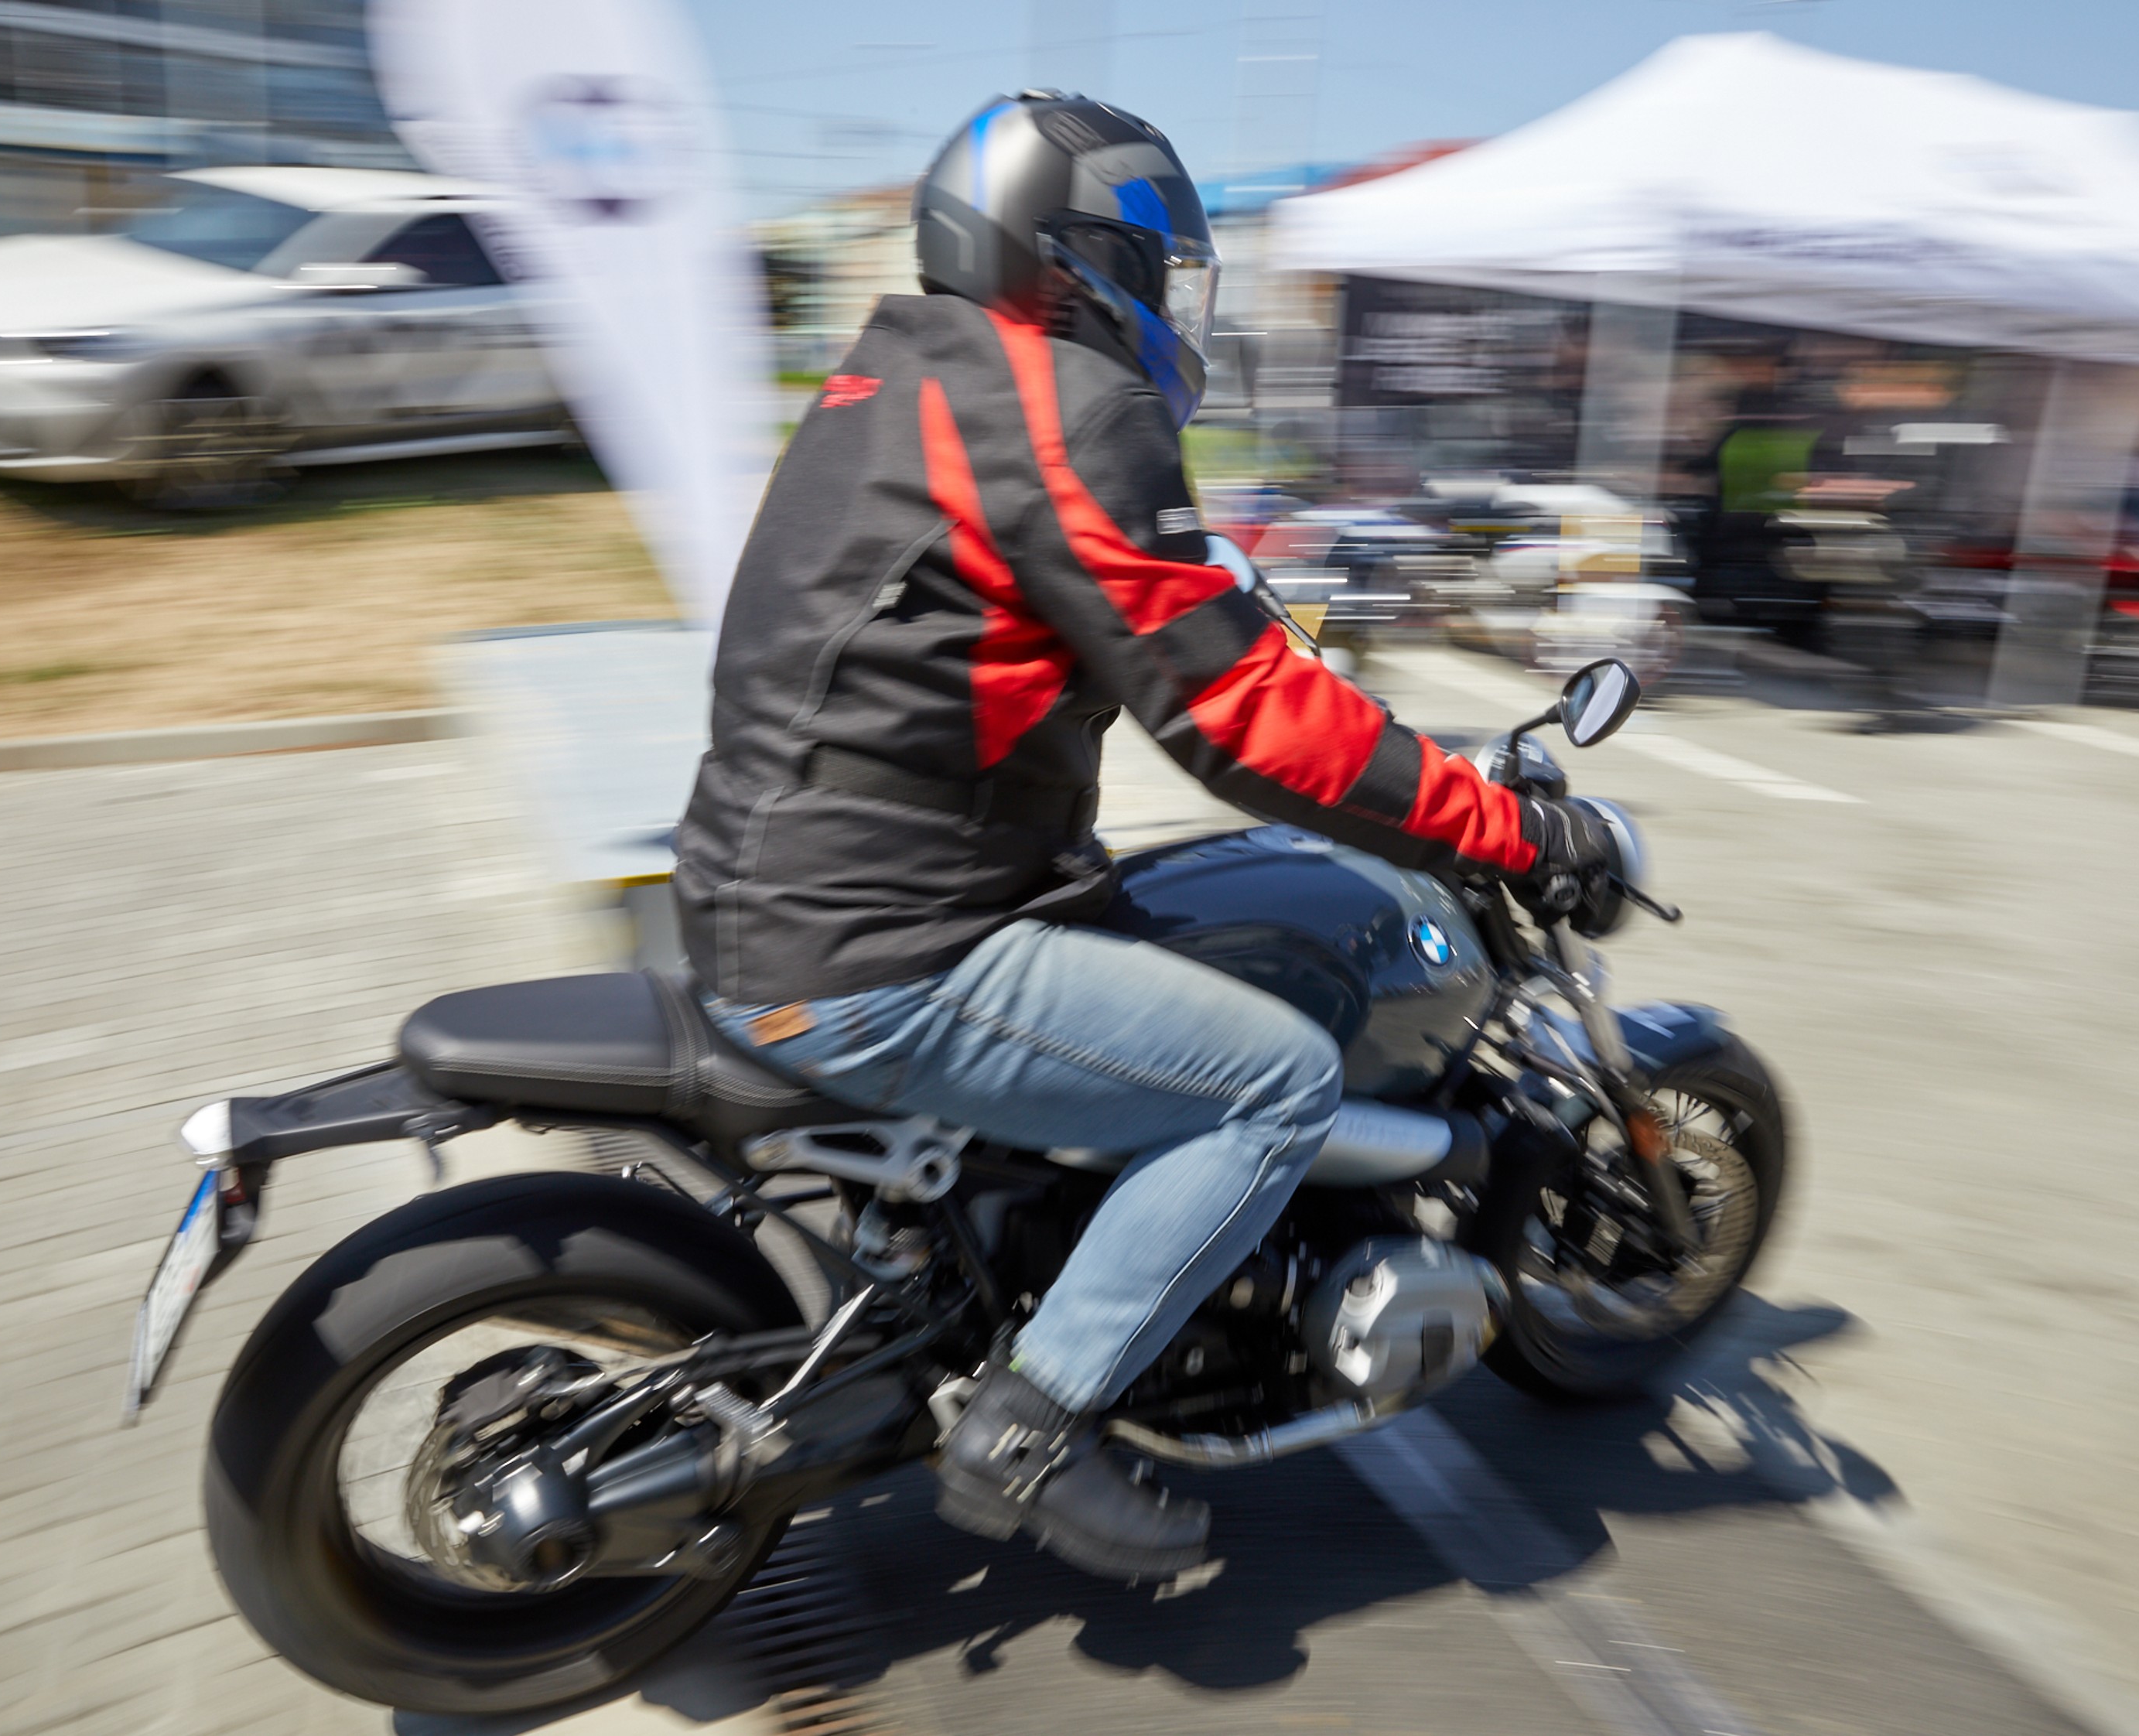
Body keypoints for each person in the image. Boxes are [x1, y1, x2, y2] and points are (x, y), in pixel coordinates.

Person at [671, 91, 1615, 1581]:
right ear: (1080, 259)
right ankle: (1034, 1424)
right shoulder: (1068, 403)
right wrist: (1498, 825)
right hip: (881, 949)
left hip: (776, 892)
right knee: (1273, 1082)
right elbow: (1237, 716)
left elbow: (1097, 605)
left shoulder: (896, 374)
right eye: (1161, 271)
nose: (1175, 307)